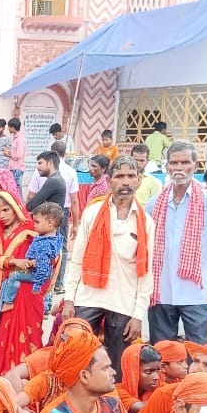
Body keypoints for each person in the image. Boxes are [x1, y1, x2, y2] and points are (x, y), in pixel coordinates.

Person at [61, 156, 154, 367]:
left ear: (139, 180)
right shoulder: (92, 213)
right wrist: (68, 299)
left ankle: (112, 401)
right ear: (110, 180)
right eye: (120, 176)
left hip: (123, 301)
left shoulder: (146, 222)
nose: (126, 182)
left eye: (131, 176)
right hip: (88, 296)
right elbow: (77, 259)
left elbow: (146, 272)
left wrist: (138, 315)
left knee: (116, 365)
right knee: (79, 358)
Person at [147, 141, 207, 345]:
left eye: (185, 162)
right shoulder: (154, 203)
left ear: (195, 165)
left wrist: (206, 273)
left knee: (198, 350)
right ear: (166, 166)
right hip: (161, 290)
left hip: (197, 291)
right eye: (174, 162)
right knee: (162, 350)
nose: (179, 168)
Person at [0, 189, 37, 374]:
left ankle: (26, 379)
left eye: (6, 210)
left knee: (25, 335)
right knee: (4, 335)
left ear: (15, 207)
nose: (2, 216)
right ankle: (4, 376)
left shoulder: (30, 231)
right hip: (5, 294)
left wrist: (10, 264)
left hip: (25, 293)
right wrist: (13, 262)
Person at [117, 342, 161, 413]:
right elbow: (143, 408)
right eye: (149, 372)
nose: (156, 377)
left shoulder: (161, 387)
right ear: (133, 371)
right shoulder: (118, 391)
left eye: (158, 370)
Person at [131, 143, 162, 207]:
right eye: (135, 160)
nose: (138, 163)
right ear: (130, 159)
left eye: (142, 161)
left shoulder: (154, 182)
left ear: (147, 161)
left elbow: (156, 207)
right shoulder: (121, 179)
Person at [6, 116, 27, 187]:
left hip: (17, 168)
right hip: (13, 167)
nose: (8, 128)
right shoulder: (15, 138)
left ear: (13, 127)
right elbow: (15, 152)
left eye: (9, 127)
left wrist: (8, 155)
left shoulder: (20, 139)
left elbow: (18, 155)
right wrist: (8, 151)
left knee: (17, 190)